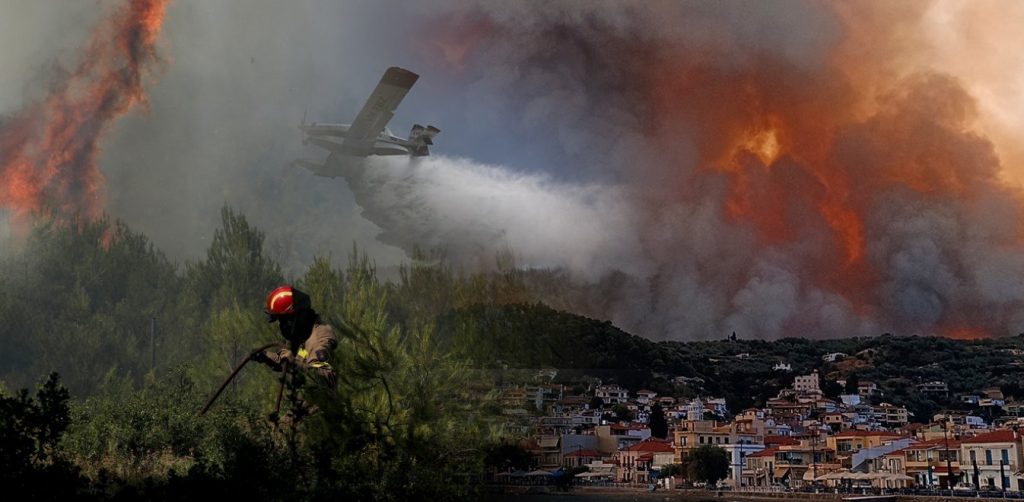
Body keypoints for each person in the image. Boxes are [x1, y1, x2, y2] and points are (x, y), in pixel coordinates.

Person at [252, 285, 337, 387]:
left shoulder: (317, 340)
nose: (282, 326)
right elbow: (292, 360)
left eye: (284, 320)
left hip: (320, 402)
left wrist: (295, 365)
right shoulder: (303, 335)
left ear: (298, 316)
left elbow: (326, 378)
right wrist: (265, 356)